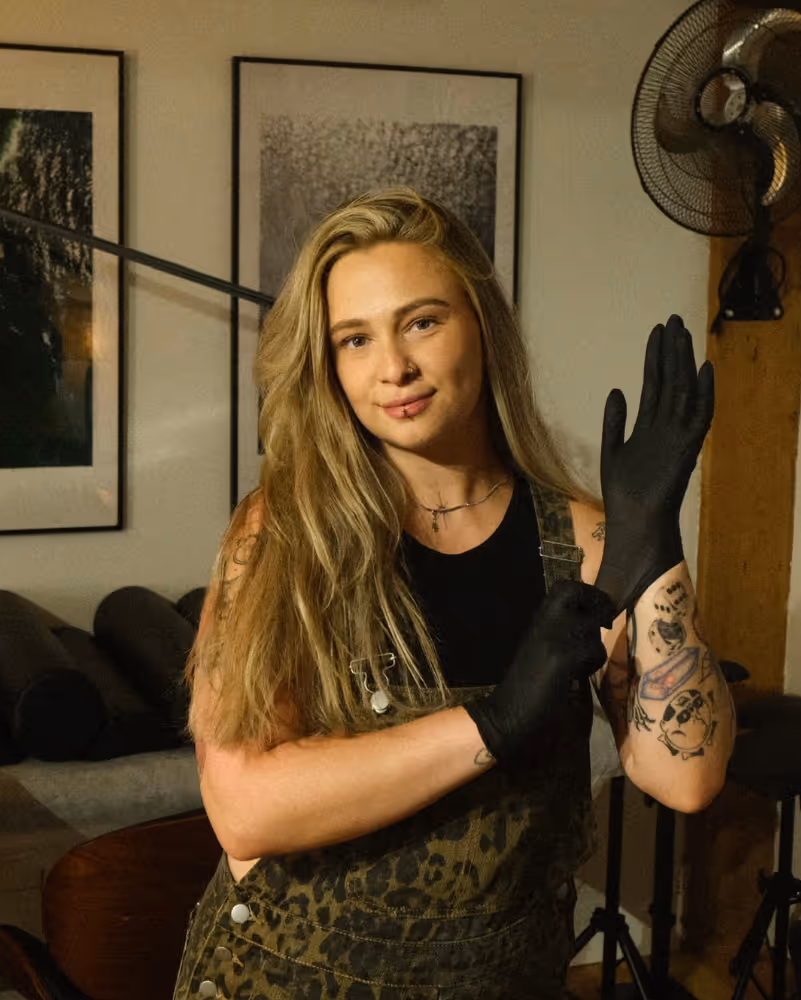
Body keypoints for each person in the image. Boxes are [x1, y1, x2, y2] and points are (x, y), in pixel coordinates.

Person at [175, 188, 734, 999]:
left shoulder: (581, 541)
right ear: (328, 365)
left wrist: (653, 548)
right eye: (355, 339)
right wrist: (496, 722)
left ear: (482, 324)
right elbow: (245, 806)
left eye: (422, 322)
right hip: (289, 982)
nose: (393, 367)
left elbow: (687, 776)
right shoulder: (285, 537)